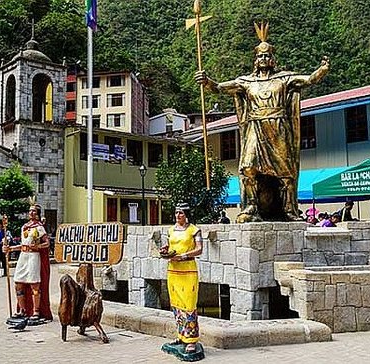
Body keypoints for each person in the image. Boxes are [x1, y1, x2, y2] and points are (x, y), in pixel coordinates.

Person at [196, 22, 329, 222]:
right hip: (255, 129)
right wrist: (206, 81)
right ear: (255, 60)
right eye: (260, 56)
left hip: (278, 128)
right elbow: (219, 88)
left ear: (272, 59)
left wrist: (322, 70)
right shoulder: (246, 82)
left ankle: (289, 210)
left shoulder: (284, 79)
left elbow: (308, 80)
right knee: (248, 167)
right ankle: (251, 207)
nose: (263, 58)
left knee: (285, 172)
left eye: (267, 55)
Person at [159, 203, 203, 354]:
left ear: (186, 214)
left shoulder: (194, 230)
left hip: (188, 269)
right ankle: (181, 335)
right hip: (173, 270)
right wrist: (165, 250)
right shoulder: (171, 230)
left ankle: (191, 339)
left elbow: (199, 249)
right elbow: (169, 246)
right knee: (176, 303)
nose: (178, 216)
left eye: (181, 213)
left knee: (189, 304)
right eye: (176, 213)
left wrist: (184, 255)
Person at [4, 199, 49, 320]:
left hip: (34, 257)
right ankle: (22, 310)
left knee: (34, 285)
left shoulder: (39, 227)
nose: (31, 213)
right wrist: (10, 248)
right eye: (30, 211)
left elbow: (47, 243)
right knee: (18, 283)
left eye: (34, 211)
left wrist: (38, 246)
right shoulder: (24, 227)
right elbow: (23, 244)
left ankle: (36, 312)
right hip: (23, 256)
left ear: (38, 213)